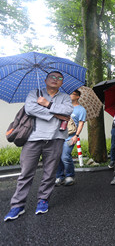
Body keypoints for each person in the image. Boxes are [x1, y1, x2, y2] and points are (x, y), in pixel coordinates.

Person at [4, 71, 73, 221]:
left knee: (49, 173)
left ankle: (43, 200)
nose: (55, 80)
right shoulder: (34, 93)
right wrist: (55, 114)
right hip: (33, 139)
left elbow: (68, 111)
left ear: (62, 82)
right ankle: (17, 205)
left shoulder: (65, 97)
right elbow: (30, 109)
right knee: (26, 173)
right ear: (45, 79)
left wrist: (47, 104)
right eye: (52, 77)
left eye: (59, 78)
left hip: (56, 139)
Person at [55, 89, 87, 187]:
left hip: (70, 136)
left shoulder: (81, 109)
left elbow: (81, 124)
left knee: (65, 156)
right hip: (58, 135)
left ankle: (70, 176)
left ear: (77, 96)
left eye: (72, 94)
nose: (70, 95)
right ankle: (59, 176)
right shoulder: (63, 107)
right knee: (57, 157)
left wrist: (76, 136)